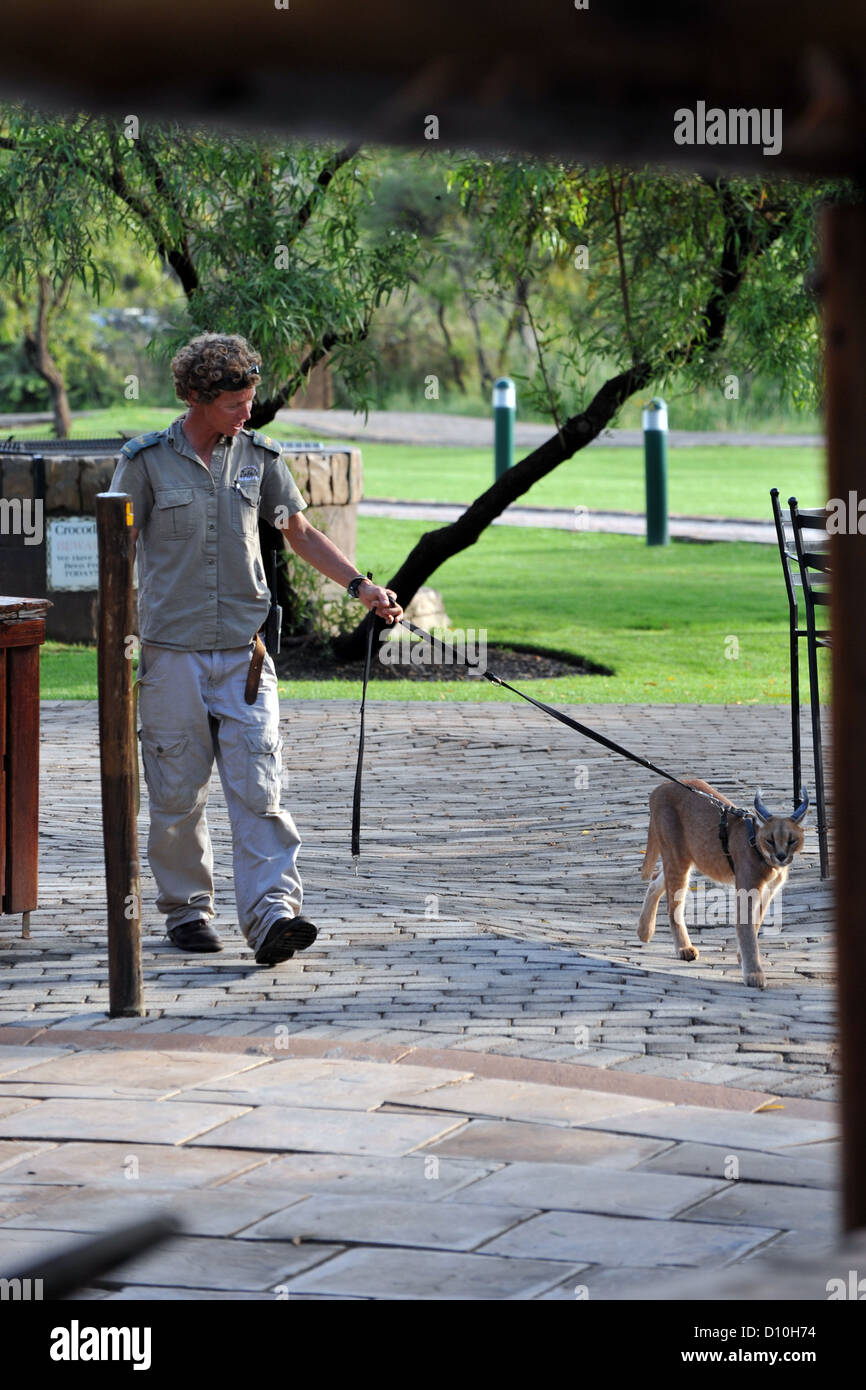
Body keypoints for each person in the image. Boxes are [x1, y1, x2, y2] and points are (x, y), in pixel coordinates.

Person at [109, 332, 402, 965]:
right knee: (176, 793)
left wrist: (362, 588)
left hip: (245, 659)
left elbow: (299, 531)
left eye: (250, 398)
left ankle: (272, 916)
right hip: (170, 658)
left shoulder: (260, 458)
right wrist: (113, 643)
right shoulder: (145, 462)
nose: (248, 411)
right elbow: (115, 552)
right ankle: (187, 910)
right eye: (237, 402)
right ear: (197, 396)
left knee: (260, 789)